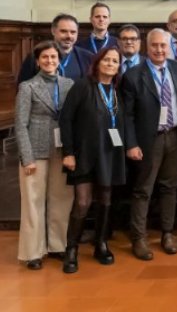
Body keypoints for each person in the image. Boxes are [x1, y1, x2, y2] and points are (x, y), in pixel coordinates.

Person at [121, 29, 177, 261]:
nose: (160, 50)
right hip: (148, 140)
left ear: (169, 47)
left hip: (175, 136)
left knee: (170, 187)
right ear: (146, 47)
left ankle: (167, 234)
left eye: (163, 45)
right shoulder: (133, 75)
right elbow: (127, 115)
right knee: (143, 190)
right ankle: (138, 237)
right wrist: (131, 144)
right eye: (155, 46)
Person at [59, 46, 126, 273]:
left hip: (109, 154)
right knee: (83, 202)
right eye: (106, 60)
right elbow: (66, 119)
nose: (110, 64)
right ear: (97, 62)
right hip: (84, 154)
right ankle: (72, 249)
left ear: (119, 66)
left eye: (115, 61)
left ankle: (101, 244)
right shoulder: (82, 86)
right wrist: (67, 152)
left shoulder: (116, 89)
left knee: (106, 202)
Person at [15, 41, 75, 270]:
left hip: (62, 151)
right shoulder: (28, 87)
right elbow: (21, 124)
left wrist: (73, 152)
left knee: (61, 199)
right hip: (36, 151)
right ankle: (33, 251)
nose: (50, 61)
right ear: (37, 61)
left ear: (59, 60)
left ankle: (58, 246)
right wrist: (26, 157)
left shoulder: (69, 84)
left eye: (53, 57)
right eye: (45, 58)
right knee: (33, 202)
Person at [18, 14, 94, 84]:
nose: (69, 36)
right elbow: (23, 87)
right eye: (63, 31)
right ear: (53, 31)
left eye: (73, 32)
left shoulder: (87, 57)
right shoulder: (35, 56)